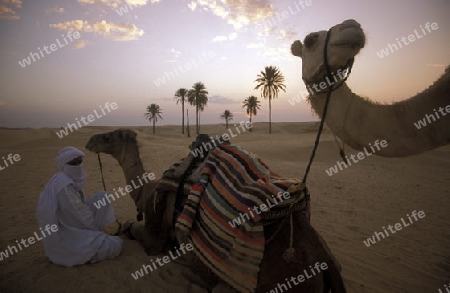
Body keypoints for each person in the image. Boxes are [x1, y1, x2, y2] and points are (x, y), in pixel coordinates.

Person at [36, 146, 123, 267]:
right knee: (115, 245)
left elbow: (79, 210)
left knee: (102, 197)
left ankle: (95, 235)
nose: (78, 166)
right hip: (66, 234)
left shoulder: (64, 179)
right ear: (65, 164)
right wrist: (96, 234)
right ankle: (91, 240)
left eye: (79, 162)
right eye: (73, 163)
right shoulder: (64, 186)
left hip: (72, 222)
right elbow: (79, 214)